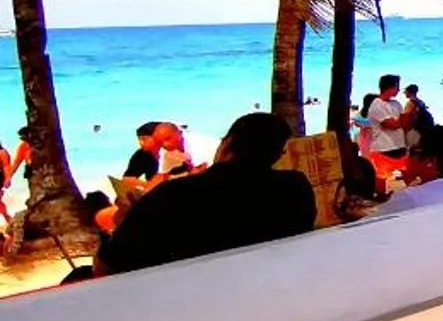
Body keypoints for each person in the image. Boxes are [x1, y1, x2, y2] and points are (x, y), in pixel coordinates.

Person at [94, 112, 316, 275]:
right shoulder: (295, 188)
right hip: (269, 285)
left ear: (226, 145)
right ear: (277, 155)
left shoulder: (172, 197)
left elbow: (105, 269)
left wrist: (120, 226)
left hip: (183, 302)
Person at [375, 125, 443, 215]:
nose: (406, 156)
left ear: (431, 162)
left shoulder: (410, 198)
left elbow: (368, 223)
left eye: (413, 151)